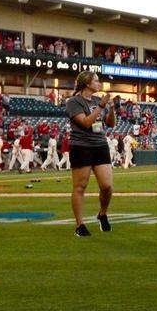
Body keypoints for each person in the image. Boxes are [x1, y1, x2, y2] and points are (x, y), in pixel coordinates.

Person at [63, 71, 115, 237]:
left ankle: (102, 214)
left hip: (100, 144)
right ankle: (80, 225)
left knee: (107, 186)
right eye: (96, 81)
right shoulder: (73, 101)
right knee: (80, 186)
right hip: (81, 146)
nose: (99, 84)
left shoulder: (98, 100)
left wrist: (111, 109)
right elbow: (85, 123)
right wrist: (101, 107)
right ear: (87, 83)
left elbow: (110, 124)